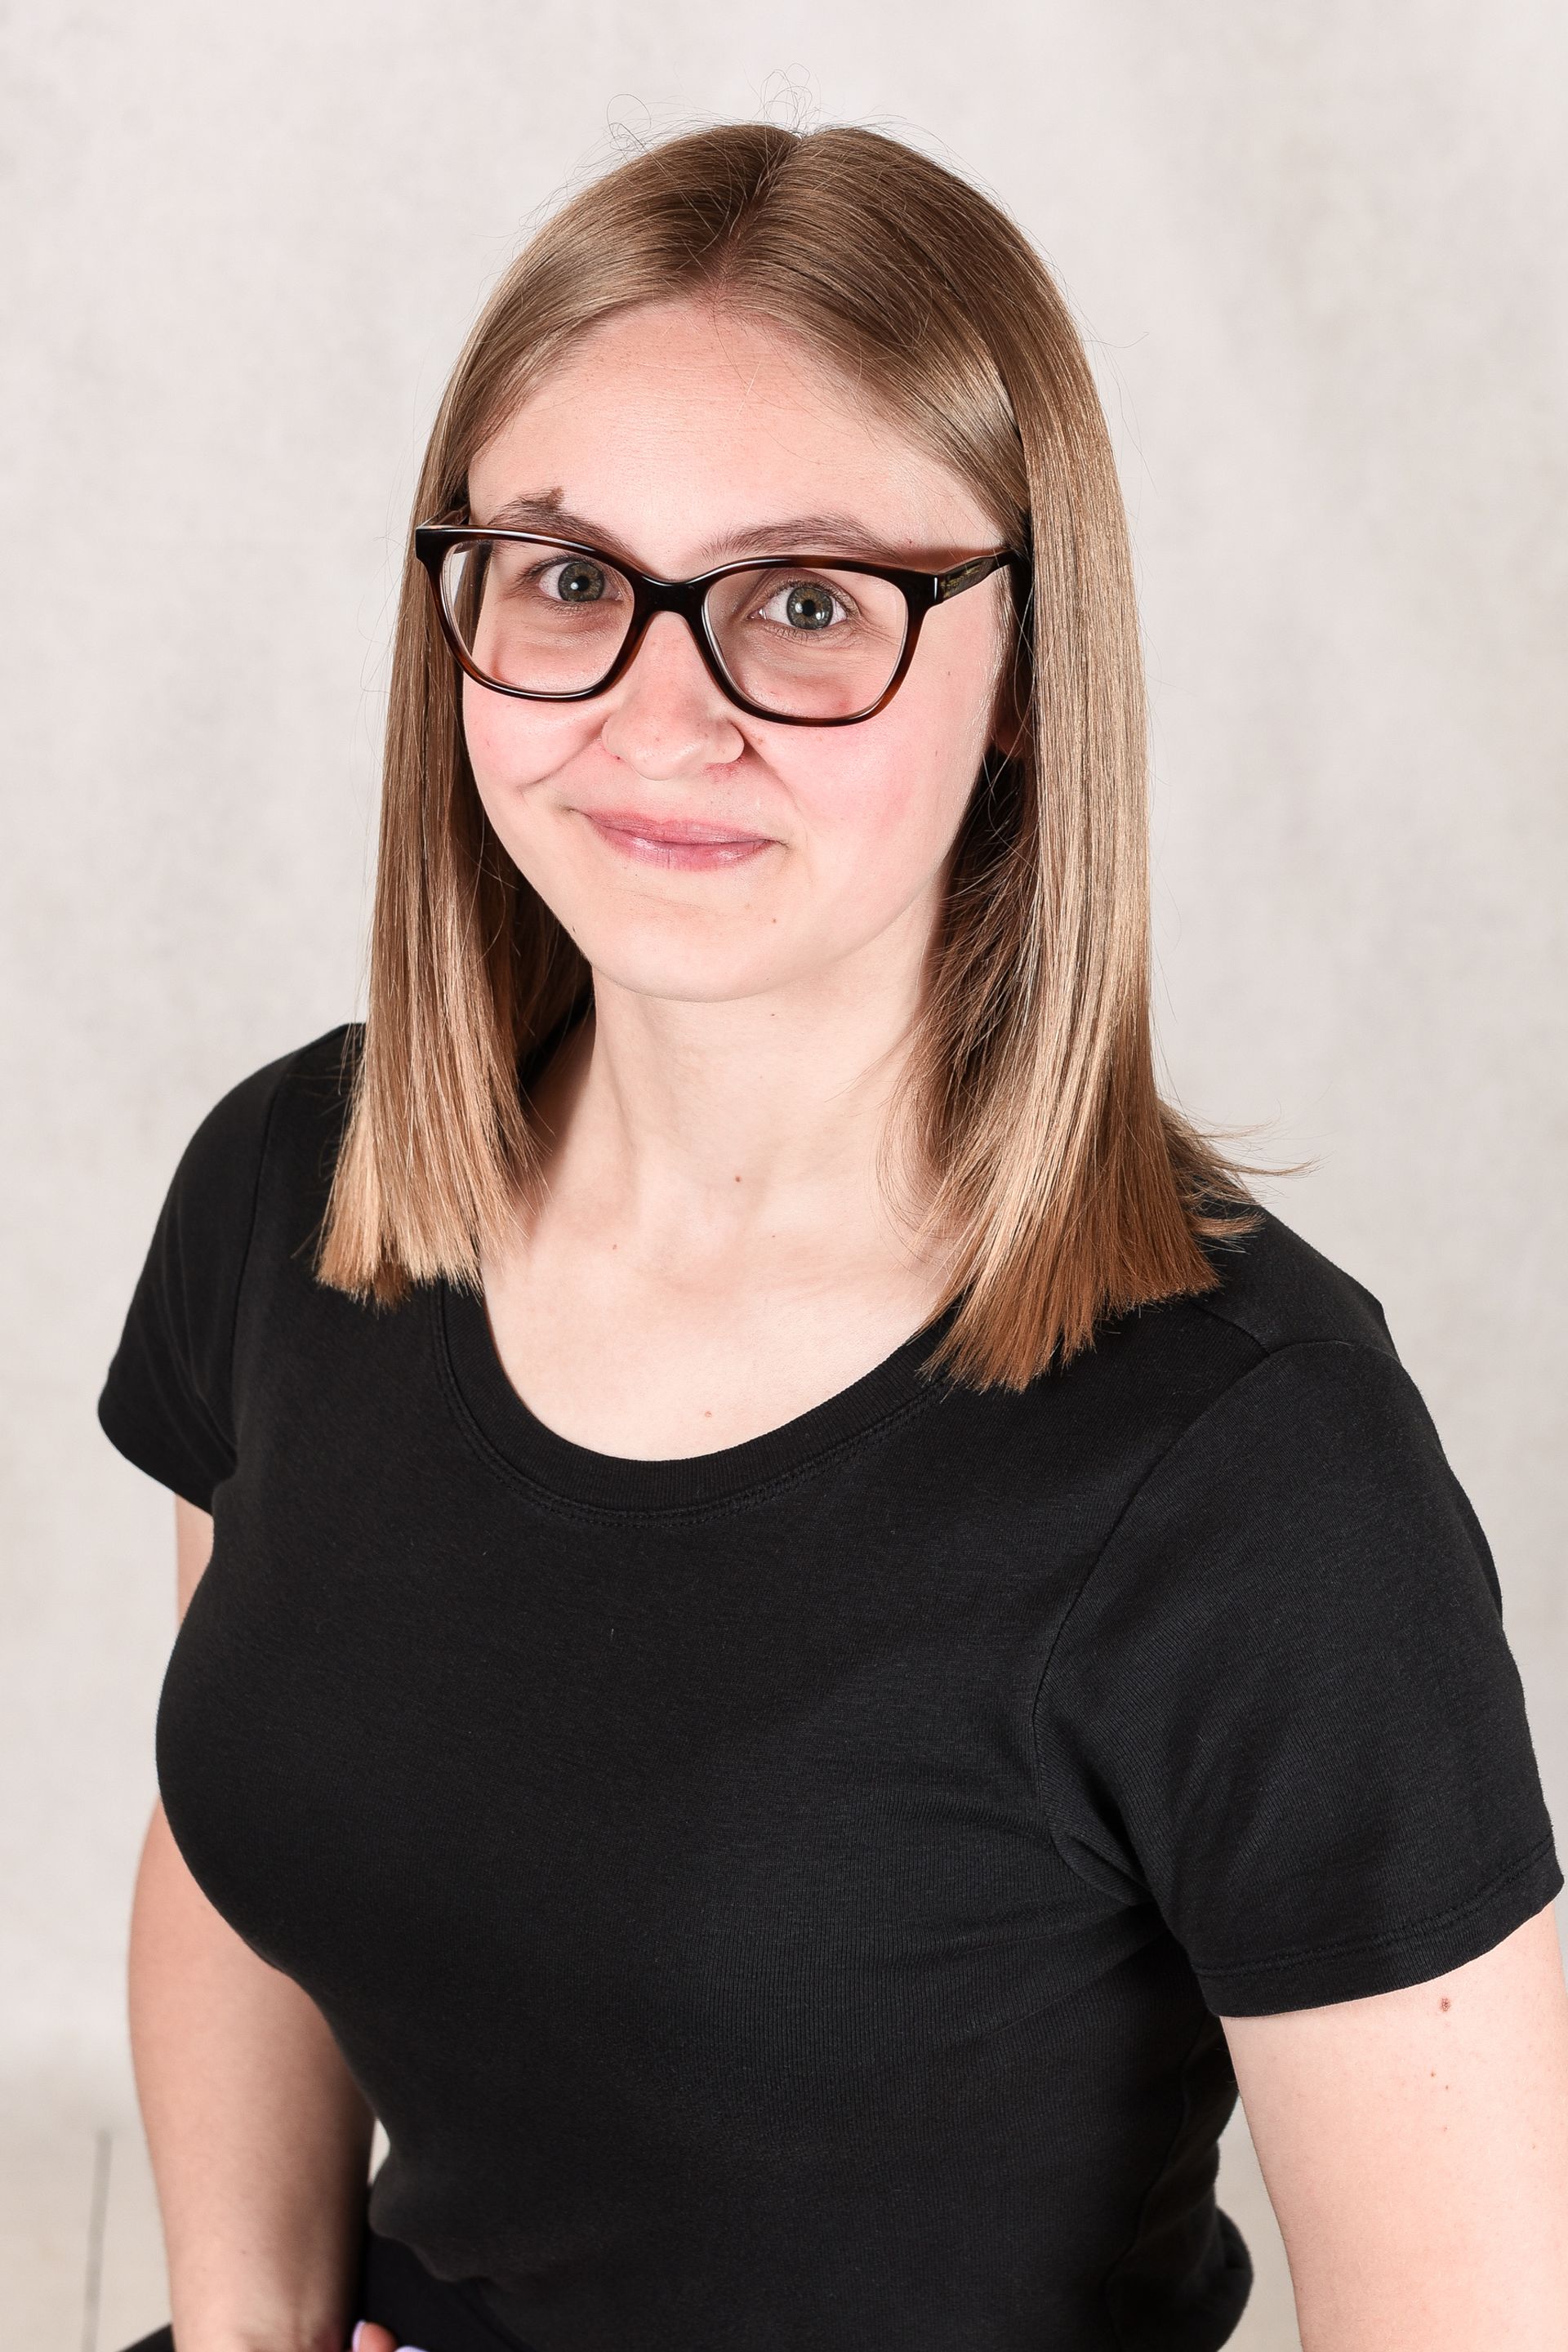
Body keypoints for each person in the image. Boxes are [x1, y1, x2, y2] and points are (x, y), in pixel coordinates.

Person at [100, 121, 1568, 2352]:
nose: (656, 711)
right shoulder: (304, 1190)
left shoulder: (1257, 1468)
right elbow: (234, 1856)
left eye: (807, 603)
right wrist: (236, 2331)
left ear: (1023, 681)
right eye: (569, 576)